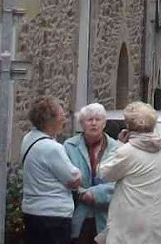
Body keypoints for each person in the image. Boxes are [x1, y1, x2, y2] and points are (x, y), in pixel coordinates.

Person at [98, 101, 161, 244]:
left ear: (129, 127)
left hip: (127, 230)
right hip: (159, 230)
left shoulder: (127, 152)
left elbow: (104, 172)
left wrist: (119, 144)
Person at [21, 96, 83, 244]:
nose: (64, 120)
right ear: (51, 120)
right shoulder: (52, 148)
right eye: (61, 116)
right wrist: (78, 173)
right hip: (53, 216)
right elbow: (73, 179)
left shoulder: (28, 138)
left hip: (31, 210)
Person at [64, 103, 120, 244]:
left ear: (104, 123)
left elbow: (120, 183)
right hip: (79, 217)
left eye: (98, 119)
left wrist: (95, 194)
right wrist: (82, 193)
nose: (94, 123)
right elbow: (65, 178)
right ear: (82, 124)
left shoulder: (118, 149)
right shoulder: (69, 147)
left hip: (107, 219)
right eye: (89, 120)